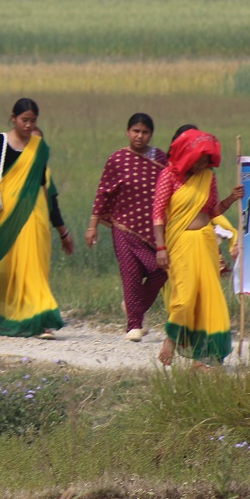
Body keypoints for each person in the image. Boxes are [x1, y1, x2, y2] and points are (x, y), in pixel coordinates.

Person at [0, 98, 74, 338]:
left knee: (34, 269)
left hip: (35, 216)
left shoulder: (40, 147)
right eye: (24, 120)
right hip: (5, 217)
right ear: (13, 117)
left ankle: (42, 320)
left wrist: (61, 230)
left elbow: (43, 187)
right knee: (5, 269)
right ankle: (0, 314)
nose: (29, 125)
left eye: (33, 121)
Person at [152, 128, 244, 367]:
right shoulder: (168, 176)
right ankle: (172, 339)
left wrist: (231, 199)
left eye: (208, 158)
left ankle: (206, 356)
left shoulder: (208, 177)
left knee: (209, 300)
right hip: (180, 242)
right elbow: (158, 214)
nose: (205, 162)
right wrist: (160, 247)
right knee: (185, 296)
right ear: (187, 154)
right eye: (201, 157)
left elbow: (212, 211)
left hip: (205, 241)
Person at [87, 112, 169, 341]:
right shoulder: (118, 159)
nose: (139, 136)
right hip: (123, 227)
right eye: (135, 131)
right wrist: (92, 226)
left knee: (160, 271)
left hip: (153, 230)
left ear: (151, 134)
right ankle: (134, 325)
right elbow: (103, 192)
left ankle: (133, 308)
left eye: (144, 132)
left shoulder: (161, 159)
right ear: (127, 132)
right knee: (131, 275)